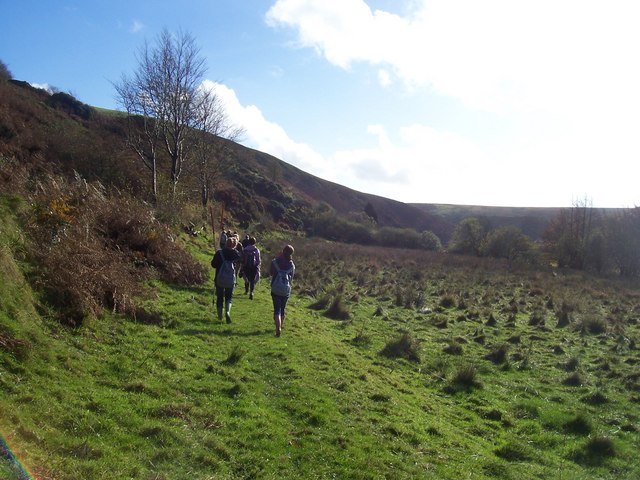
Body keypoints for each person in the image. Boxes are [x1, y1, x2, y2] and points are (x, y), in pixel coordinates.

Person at [211, 236, 242, 323]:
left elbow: (213, 265)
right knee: (229, 297)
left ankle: (220, 317)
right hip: (230, 279)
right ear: (234, 245)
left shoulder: (219, 253)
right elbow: (240, 260)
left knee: (220, 297)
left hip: (219, 278)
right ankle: (227, 312)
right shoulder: (235, 254)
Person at [269, 244, 295, 337]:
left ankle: (278, 328)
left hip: (276, 288)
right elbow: (292, 277)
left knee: (277, 309)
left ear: (283, 251)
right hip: (285, 289)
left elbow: (271, 273)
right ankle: (280, 326)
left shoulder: (275, 261)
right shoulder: (292, 265)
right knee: (282, 309)